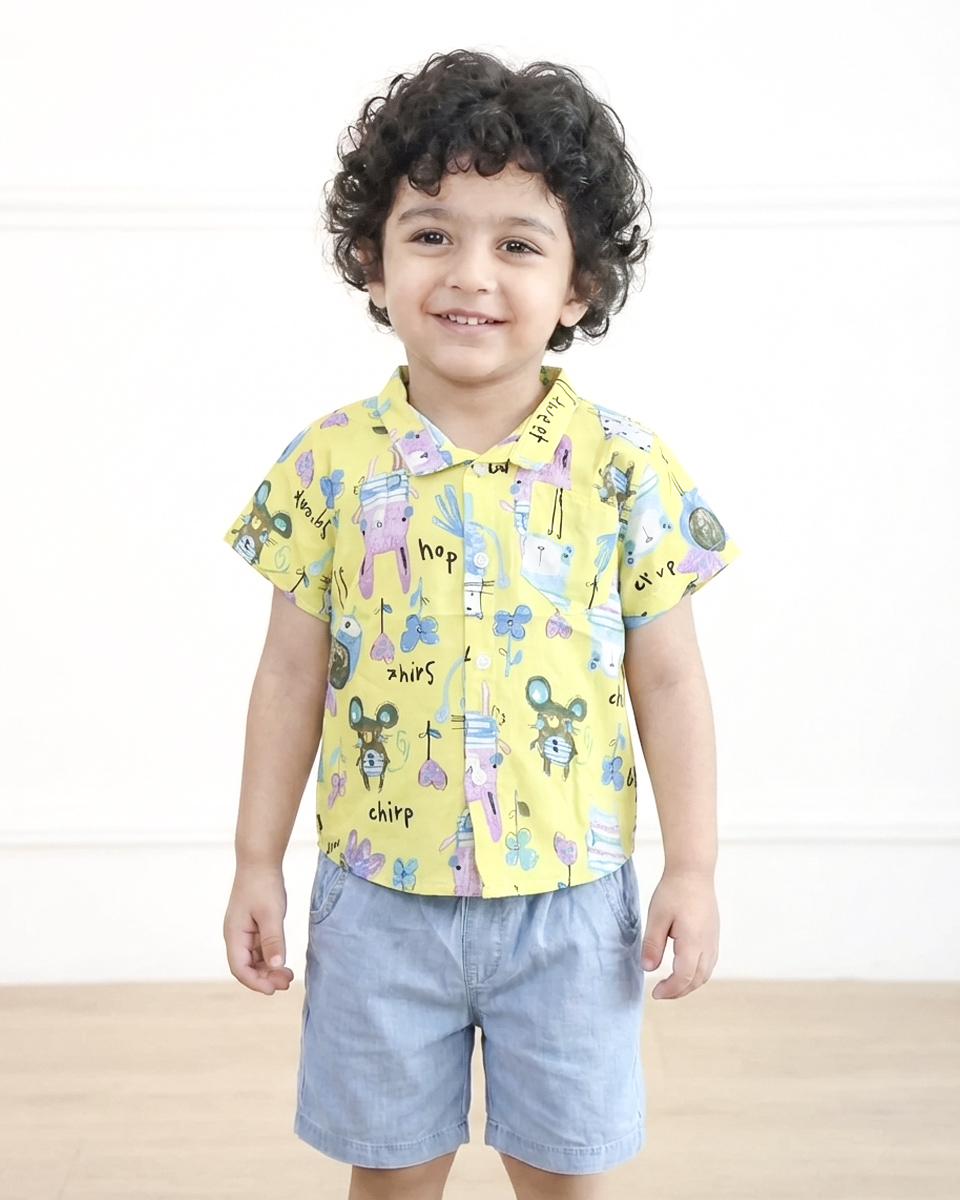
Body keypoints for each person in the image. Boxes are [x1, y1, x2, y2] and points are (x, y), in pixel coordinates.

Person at [222, 49, 739, 1200]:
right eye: (431, 234)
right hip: (379, 904)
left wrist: (694, 867)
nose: (470, 274)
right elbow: (288, 678)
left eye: (518, 244)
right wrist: (256, 859)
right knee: (393, 1175)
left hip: (570, 906)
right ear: (374, 262)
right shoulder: (327, 466)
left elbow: (669, 681)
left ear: (578, 285)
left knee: (563, 1175)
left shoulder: (625, 470)